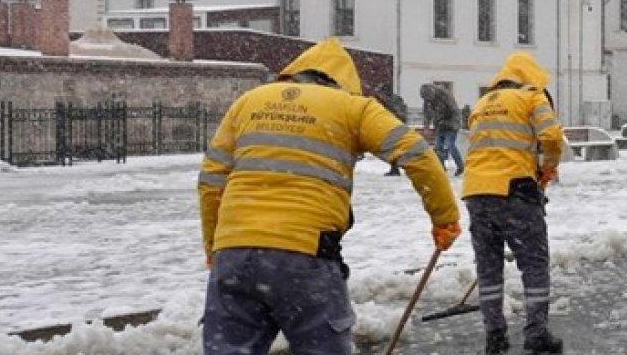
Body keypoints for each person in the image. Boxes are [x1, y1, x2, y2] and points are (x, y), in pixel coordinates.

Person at [197, 38, 461, 355]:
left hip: (234, 254)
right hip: (305, 256)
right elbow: (418, 155)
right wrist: (444, 219)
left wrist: (214, 246)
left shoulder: (249, 101)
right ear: (344, 81)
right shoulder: (353, 108)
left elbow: (211, 180)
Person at [464, 51, 565, 354]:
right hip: (516, 192)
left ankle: (494, 335)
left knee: (489, 267)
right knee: (534, 264)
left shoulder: (482, 104)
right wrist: (548, 167)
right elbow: (552, 136)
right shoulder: (532, 97)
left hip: (476, 193)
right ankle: (536, 333)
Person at [421, 83, 465, 176]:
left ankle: (461, 167)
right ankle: (441, 167)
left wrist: (452, 124)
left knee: (450, 145)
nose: (429, 101)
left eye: (429, 98)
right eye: (426, 99)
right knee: (437, 147)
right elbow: (426, 114)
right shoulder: (427, 99)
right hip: (439, 124)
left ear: (432, 92)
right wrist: (426, 126)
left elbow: (454, 110)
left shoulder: (444, 94)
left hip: (451, 124)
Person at [375, 86, 409, 177]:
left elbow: (393, 113)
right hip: (396, 125)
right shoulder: (393, 100)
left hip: (395, 126)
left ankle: (396, 168)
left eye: (380, 94)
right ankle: (395, 168)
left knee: (393, 148)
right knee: (393, 148)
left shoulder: (390, 101)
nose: (379, 96)